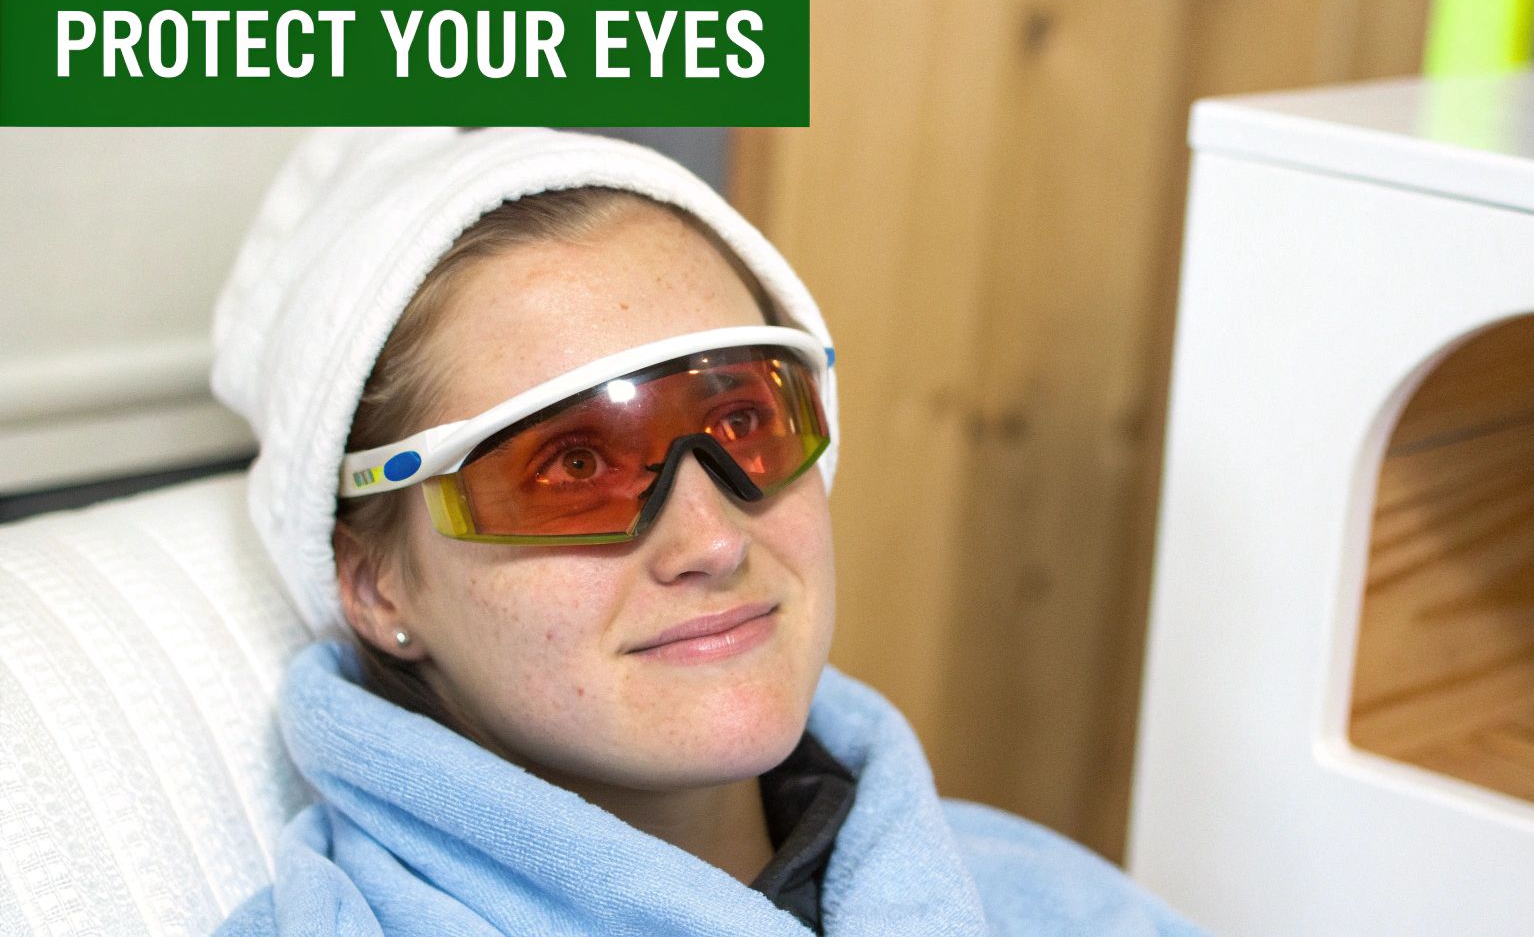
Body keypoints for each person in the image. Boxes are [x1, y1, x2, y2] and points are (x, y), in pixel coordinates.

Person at [210, 127, 1204, 935]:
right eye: (574, 465)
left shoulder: (1048, 897)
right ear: (378, 584)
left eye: (742, 423)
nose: (712, 540)